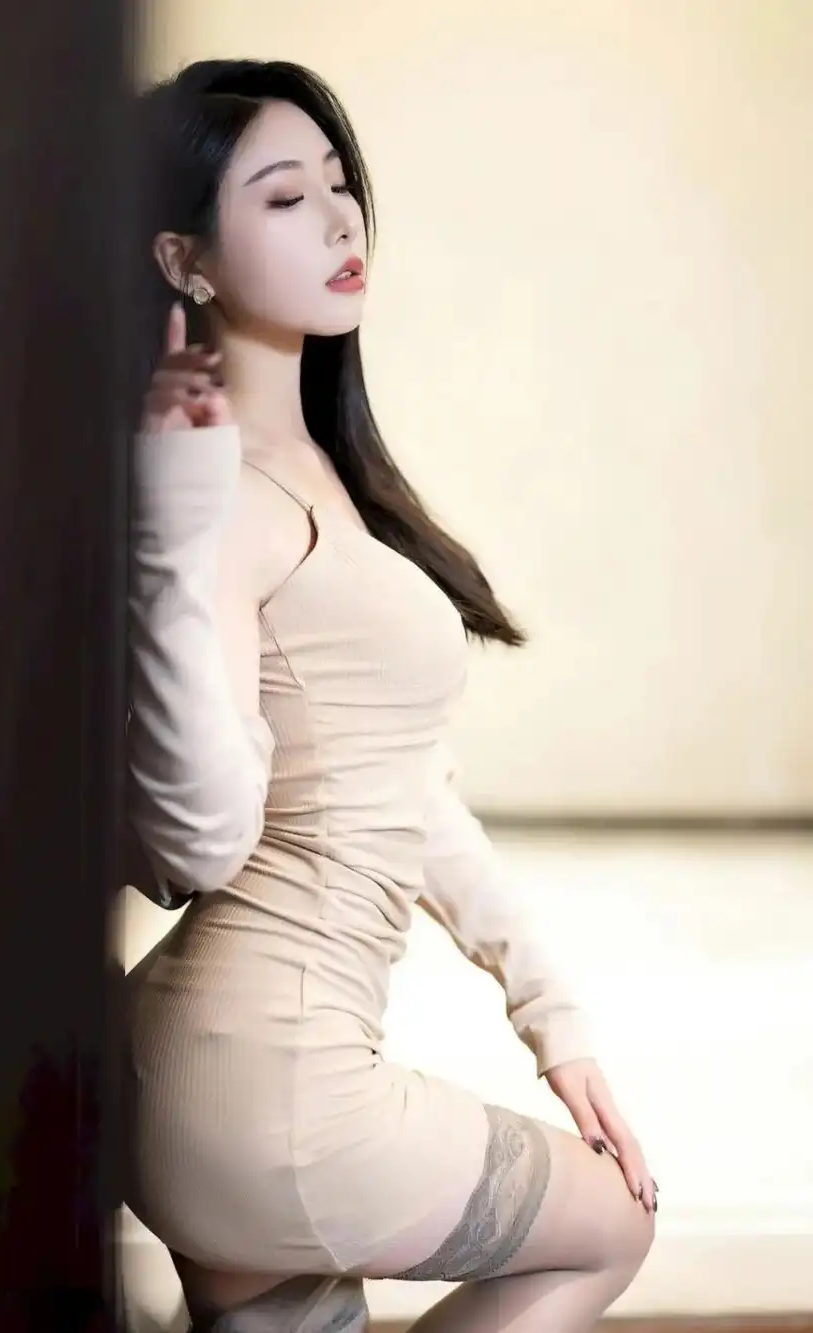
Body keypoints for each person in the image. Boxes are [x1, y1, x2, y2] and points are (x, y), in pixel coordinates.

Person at [122, 59, 656, 1333]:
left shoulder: (307, 466)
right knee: (614, 1224)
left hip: (194, 1070)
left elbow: (404, 788)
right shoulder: (214, 495)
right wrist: (173, 530)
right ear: (183, 259)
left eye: (339, 182)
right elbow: (196, 839)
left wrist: (553, 1016)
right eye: (283, 196)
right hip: (276, 1089)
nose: (339, 217)